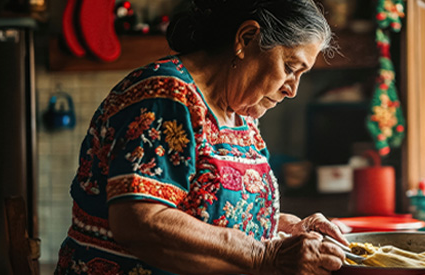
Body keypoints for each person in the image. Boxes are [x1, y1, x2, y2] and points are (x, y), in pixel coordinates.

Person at [54, 0, 348, 274]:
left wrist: (291, 229)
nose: (292, 89)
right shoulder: (167, 96)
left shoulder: (241, 116)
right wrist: (264, 256)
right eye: (290, 68)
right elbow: (139, 222)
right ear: (246, 39)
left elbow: (215, 212)